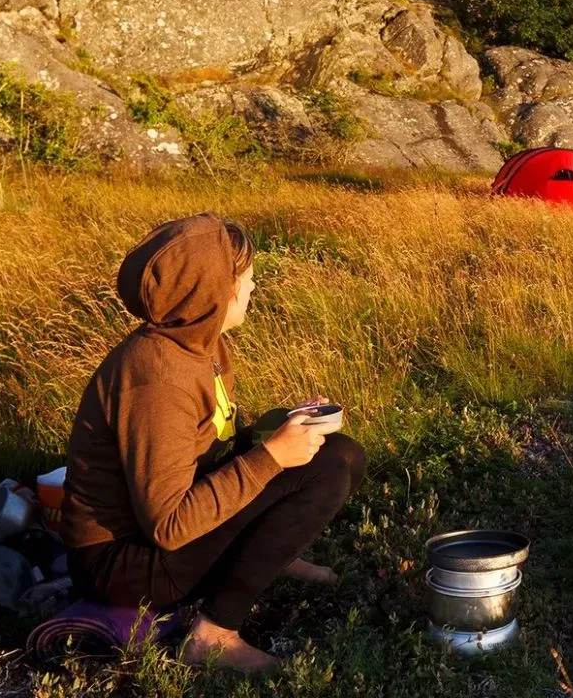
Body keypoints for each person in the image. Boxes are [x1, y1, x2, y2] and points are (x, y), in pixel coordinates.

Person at [60, 213, 365, 671]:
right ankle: (214, 635)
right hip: (121, 561)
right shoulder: (156, 381)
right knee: (322, 472)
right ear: (209, 293)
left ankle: (271, 551)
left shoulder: (202, 344)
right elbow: (170, 524)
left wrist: (282, 426)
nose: (253, 288)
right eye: (244, 279)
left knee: (342, 453)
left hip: (162, 530)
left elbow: (213, 446)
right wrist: (270, 457)